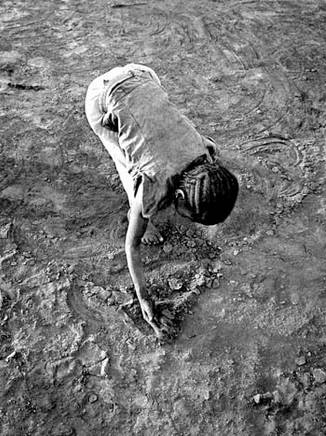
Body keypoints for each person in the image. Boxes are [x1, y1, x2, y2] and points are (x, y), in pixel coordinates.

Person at [85, 63, 239, 339]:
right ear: (177, 196)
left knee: (156, 130)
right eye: (187, 214)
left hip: (143, 74)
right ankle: (139, 208)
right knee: (127, 163)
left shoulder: (205, 150)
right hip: (100, 97)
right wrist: (143, 298)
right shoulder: (154, 180)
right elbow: (131, 246)